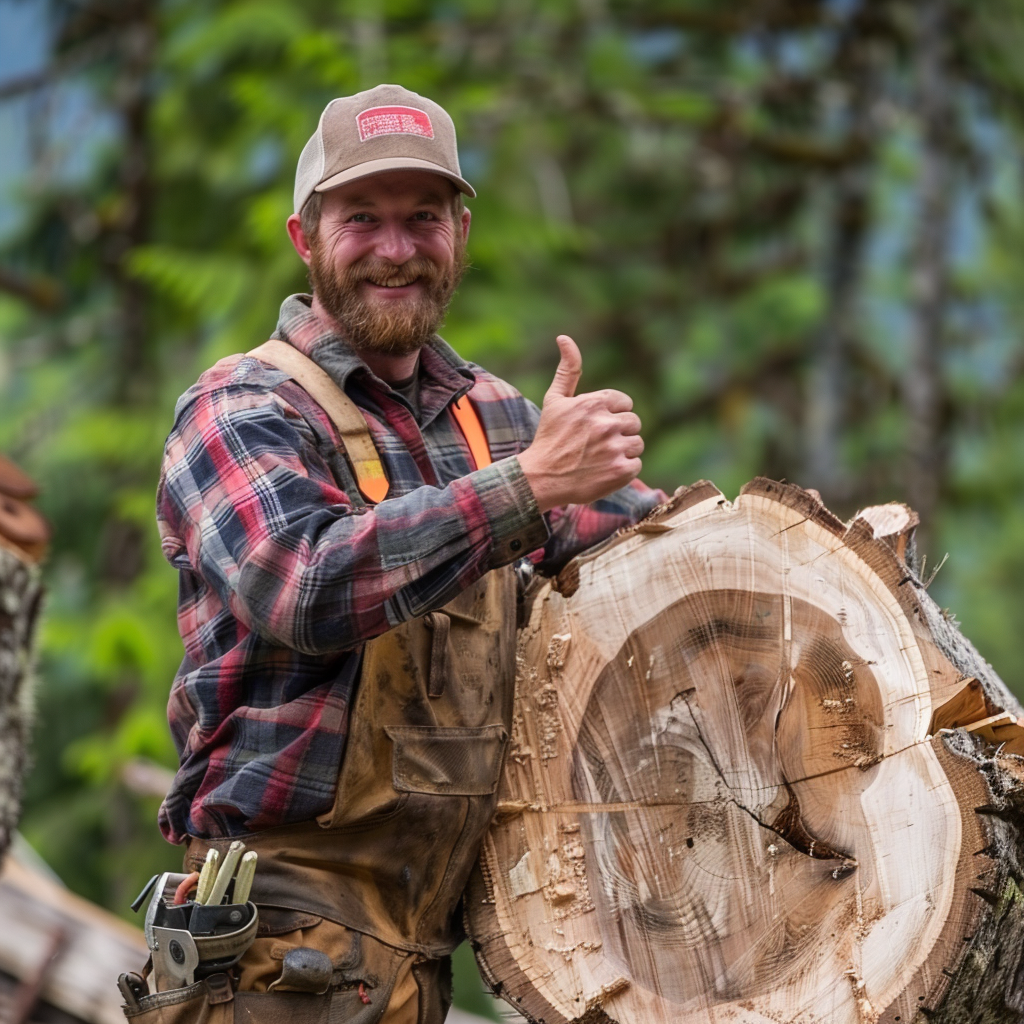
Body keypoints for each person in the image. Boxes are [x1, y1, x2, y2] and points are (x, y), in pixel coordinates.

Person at [146, 84, 665, 1023]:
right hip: (271, 954)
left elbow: (646, 547)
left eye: (423, 216)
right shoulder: (240, 409)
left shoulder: (500, 419)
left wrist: (779, 537)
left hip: (427, 955)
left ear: (460, 232)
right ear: (306, 238)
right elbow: (304, 584)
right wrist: (530, 487)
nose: (396, 248)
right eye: (362, 219)